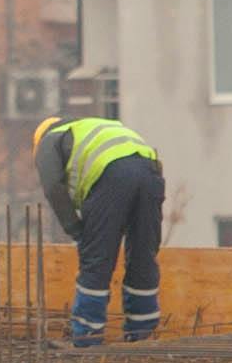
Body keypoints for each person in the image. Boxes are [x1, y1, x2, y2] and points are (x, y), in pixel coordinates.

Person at [32, 114, 165, 347]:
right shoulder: (92, 127)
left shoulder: (48, 140)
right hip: (150, 170)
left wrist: (76, 230)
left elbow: (53, 186)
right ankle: (142, 335)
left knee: (96, 261)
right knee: (143, 255)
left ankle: (86, 337)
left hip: (111, 174)